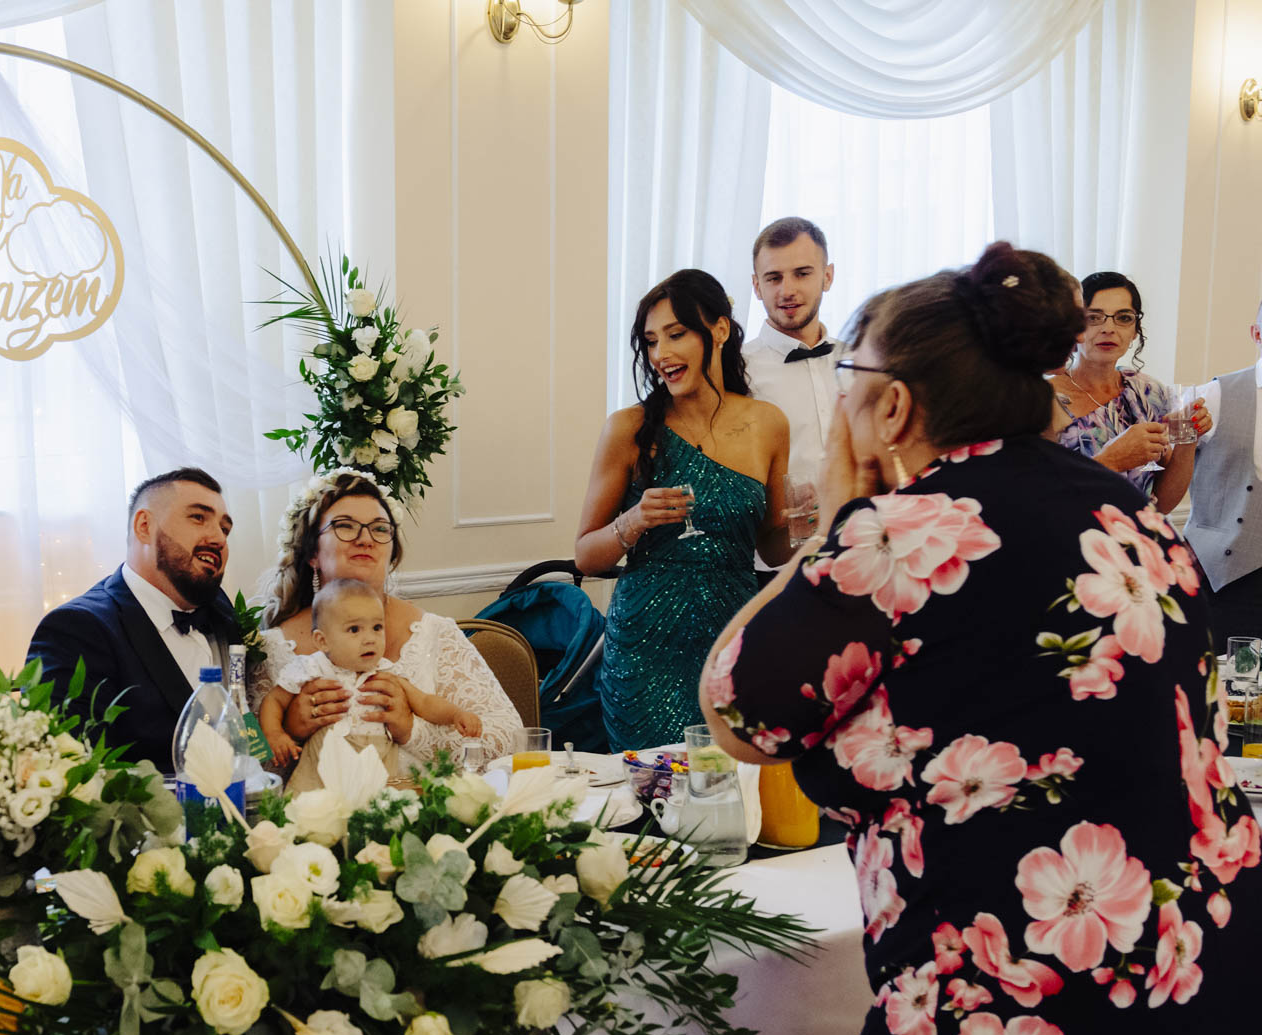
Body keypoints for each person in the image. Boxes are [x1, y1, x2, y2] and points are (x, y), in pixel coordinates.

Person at [699, 242, 1262, 1035]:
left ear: (894, 406)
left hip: (1014, 1009)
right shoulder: (1130, 515)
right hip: (1190, 972)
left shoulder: (904, 531)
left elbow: (739, 711)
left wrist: (835, 523)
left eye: (852, 377)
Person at [574, 268, 790, 752]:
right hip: (646, 650)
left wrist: (808, 524)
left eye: (676, 335)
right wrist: (633, 521)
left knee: (731, 785)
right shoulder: (627, 429)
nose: (661, 354)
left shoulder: (768, 424)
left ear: (719, 329)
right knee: (656, 790)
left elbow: (774, 549)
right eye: (651, 341)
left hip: (733, 640)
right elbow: (586, 556)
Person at [247, 470, 521, 773]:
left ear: (392, 553)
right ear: (312, 552)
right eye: (345, 526)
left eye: (379, 528)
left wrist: (412, 730)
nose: (366, 538)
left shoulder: (434, 632)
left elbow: (510, 737)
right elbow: (242, 765)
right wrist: (291, 729)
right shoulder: (273, 647)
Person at [25, 467, 237, 777]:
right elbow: (70, 773)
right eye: (198, 517)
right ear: (144, 526)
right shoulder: (76, 630)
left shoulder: (220, 610)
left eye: (225, 529)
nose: (218, 538)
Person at [259, 578, 481, 792]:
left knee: (381, 807)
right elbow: (274, 700)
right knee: (313, 811)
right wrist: (274, 733)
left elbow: (424, 702)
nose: (370, 638)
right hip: (322, 762)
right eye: (354, 630)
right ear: (322, 641)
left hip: (378, 760)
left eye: (377, 627)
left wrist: (455, 714)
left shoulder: (386, 672)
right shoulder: (312, 668)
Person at [1050, 271, 1209, 514]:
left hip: (1138, 534)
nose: (1109, 328)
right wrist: (1112, 460)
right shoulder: (1043, 400)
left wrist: (1188, 440)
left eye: (1123, 318)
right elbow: (1035, 498)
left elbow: (1162, 504)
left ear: (1135, 330)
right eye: (1094, 317)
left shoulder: (1148, 392)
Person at [1182, 300, 1262, 646]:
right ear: (1257, 334)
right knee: (1227, 674)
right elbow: (1170, 468)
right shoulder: (1215, 395)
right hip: (1225, 574)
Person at [745, 217, 843, 482]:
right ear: (757, 287)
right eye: (774, 278)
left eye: (802, 274)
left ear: (827, 277)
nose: (787, 290)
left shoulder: (860, 362)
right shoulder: (735, 371)